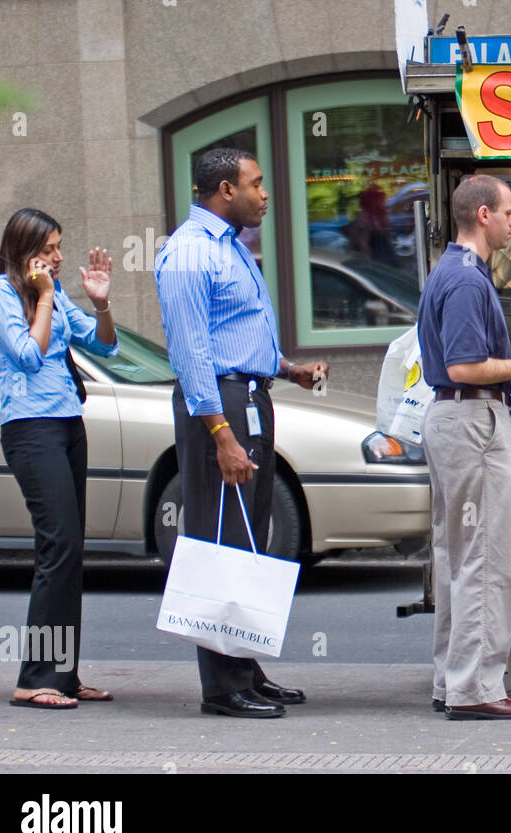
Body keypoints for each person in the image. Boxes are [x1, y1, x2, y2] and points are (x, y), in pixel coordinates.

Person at [155, 148, 328, 719]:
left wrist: (287, 368)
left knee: (250, 542)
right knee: (219, 542)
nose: (265, 194)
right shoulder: (187, 253)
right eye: (257, 184)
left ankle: (247, 670)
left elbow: (236, 335)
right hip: (219, 409)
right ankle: (222, 687)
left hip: (250, 397)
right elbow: (192, 352)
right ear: (226, 190)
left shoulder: (232, 248)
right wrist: (222, 434)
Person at [418, 174, 511, 720]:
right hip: (473, 417)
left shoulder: (449, 271)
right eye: (509, 212)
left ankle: (454, 681)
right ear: (482, 215)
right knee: (487, 557)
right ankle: (477, 689)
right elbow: (464, 365)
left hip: (454, 419)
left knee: (458, 556)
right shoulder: (469, 281)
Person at [0, 208, 118, 709]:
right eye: (51, 248)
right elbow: (28, 355)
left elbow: (107, 346)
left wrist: (101, 305)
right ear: (25, 250)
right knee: (56, 545)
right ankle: (32, 678)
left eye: (60, 246)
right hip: (29, 430)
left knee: (72, 550)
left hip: (66, 426)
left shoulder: (50, 296)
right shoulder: (0, 294)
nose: (59, 257)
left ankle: (63, 674)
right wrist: (46, 297)